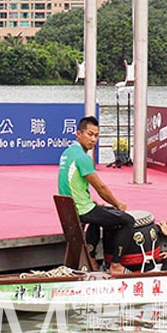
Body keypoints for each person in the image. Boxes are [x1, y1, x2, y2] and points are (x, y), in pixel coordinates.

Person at [58, 116, 134, 277]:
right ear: (79, 134)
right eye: (90, 134)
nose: (93, 139)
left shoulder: (67, 153)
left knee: (99, 214)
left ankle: (92, 260)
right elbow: (101, 188)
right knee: (127, 220)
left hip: (70, 209)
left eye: (96, 135)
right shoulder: (82, 158)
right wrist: (118, 204)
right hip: (81, 209)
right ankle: (116, 265)